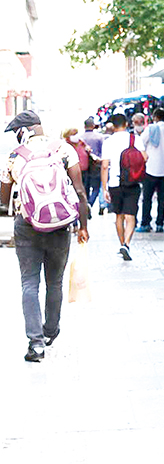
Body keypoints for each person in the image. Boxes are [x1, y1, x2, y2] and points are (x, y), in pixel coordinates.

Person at [0, 111, 90, 362]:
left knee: (29, 283)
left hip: (27, 225)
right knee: (55, 282)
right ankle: (51, 330)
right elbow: (80, 191)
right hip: (60, 225)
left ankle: (36, 344)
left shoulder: (14, 157)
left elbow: (3, 199)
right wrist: (82, 226)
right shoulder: (63, 149)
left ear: (22, 131)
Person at [102, 113, 147, 260]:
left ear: (113, 126)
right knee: (131, 216)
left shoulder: (108, 142)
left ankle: (122, 243)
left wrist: (104, 188)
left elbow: (104, 166)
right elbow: (145, 157)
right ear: (127, 124)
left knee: (119, 215)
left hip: (115, 183)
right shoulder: (135, 139)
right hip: (132, 181)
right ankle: (126, 244)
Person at [136, 107, 164, 233]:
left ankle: (145, 223)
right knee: (162, 200)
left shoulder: (150, 129)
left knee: (147, 198)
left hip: (150, 169)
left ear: (154, 117)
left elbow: (140, 144)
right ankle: (160, 224)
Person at [79, 117, 108, 216]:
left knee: (85, 187)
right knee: (96, 188)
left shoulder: (80, 138)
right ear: (93, 126)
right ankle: (90, 204)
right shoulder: (100, 137)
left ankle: (87, 206)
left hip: (83, 167)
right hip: (96, 165)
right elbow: (104, 152)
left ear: (84, 126)